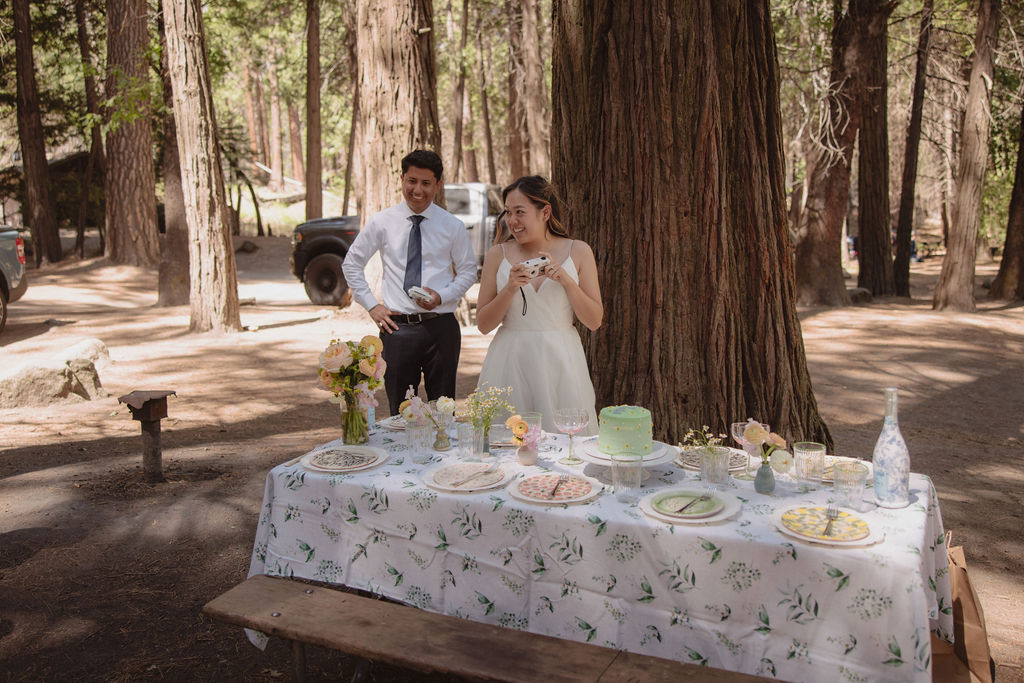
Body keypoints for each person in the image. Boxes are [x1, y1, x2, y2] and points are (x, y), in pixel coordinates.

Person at [342, 150, 477, 416]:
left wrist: (442, 296)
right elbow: (351, 263)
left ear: (438, 185)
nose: (418, 190)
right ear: (402, 179)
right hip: (397, 329)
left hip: (441, 328)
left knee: (443, 409)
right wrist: (371, 306)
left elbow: (468, 272)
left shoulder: (452, 226)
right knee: (401, 412)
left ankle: (443, 457)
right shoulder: (382, 222)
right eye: (412, 181)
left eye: (426, 183)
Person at [475, 176, 602, 436]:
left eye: (520, 212)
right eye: (508, 213)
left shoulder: (578, 252)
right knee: (507, 443)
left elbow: (594, 320)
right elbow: (483, 324)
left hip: (561, 361)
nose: (512, 221)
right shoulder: (496, 255)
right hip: (510, 361)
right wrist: (510, 288)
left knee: (566, 443)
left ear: (545, 212)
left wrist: (566, 281)